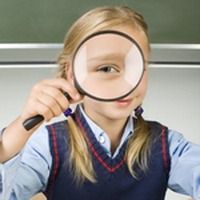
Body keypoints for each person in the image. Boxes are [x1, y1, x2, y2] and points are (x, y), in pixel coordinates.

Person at [0, 6, 200, 200]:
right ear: (72, 74)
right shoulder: (47, 146)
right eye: (107, 68)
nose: (126, 83)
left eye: (137, 66)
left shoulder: (168, 146)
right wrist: (16, 133)